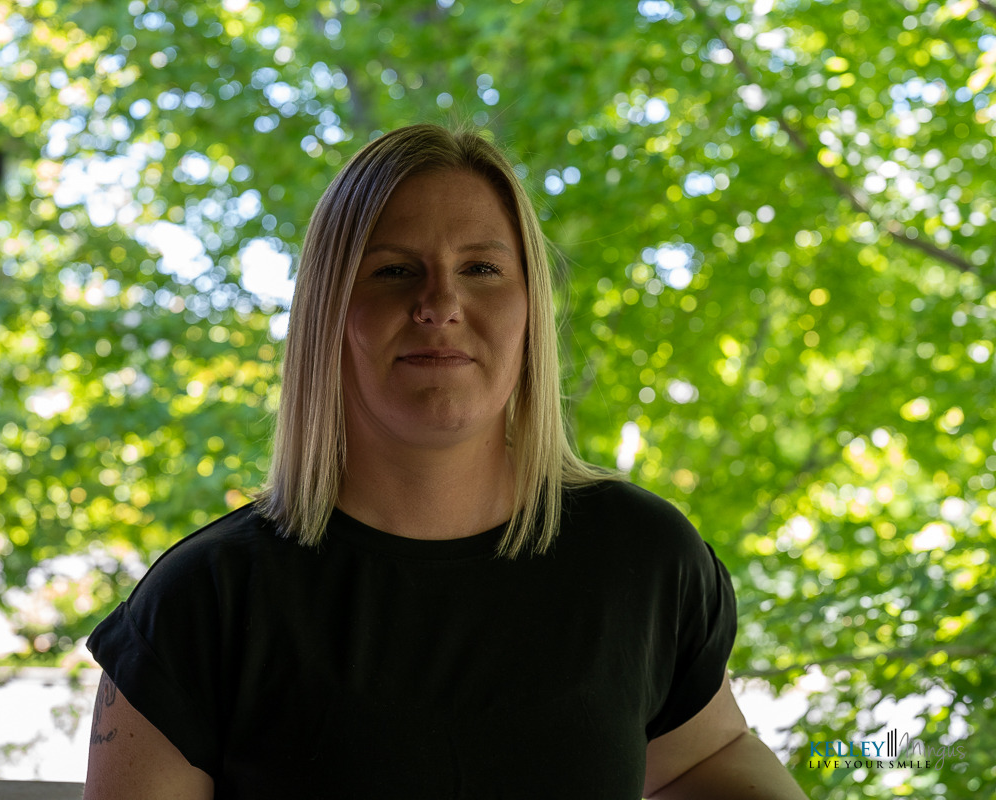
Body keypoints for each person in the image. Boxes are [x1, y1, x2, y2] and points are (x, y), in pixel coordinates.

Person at [82, 124, 809, 799]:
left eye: (483, 268)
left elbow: (704, 754)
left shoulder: (642, 557)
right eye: (396, 270)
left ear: (531, 310)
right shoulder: (203, 601)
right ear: (329, 313)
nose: (440, 302)